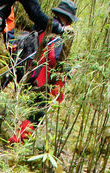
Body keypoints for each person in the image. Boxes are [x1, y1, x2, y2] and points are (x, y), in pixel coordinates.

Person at [8, 0, 77, 143]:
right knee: (38, 111)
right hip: (39, 77)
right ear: (68, 19)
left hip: (22, 68)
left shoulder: (41, 26)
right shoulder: (59, 35)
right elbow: (53, 59)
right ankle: (18, 140)